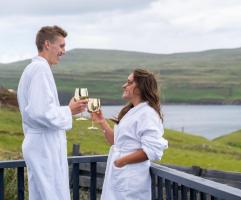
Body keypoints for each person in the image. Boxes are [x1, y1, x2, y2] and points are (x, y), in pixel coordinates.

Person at [17, 25, 87, 200]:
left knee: (44, 194)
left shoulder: (35, 69)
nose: (64, 51)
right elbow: (40, 112)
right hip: (43, 146)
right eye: (61, 46)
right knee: (51, 195)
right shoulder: (40, 70)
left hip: (40, 144)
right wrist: (69, 110)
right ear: (47, 44)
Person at [92, 69, 168, 200]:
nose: (124, 86)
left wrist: (121, 161)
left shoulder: (148, 114)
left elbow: (153, 150)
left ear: (140, 87)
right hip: (120, 174)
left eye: (129, 82)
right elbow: (116, 142)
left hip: (130, 178)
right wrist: (102, 122)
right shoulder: (132, 111)